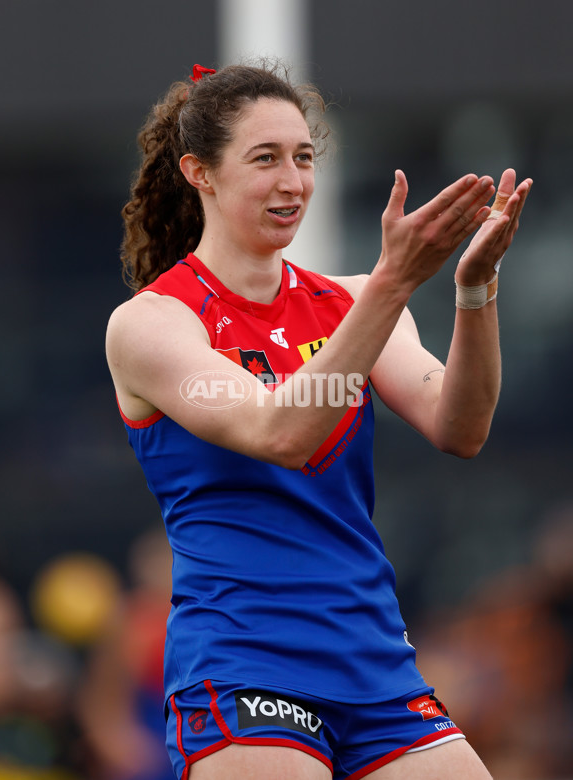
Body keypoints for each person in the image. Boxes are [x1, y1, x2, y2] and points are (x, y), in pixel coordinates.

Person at [105, 60, 532, 780]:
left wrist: (474, 289)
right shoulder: (152, 324)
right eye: (264, 158)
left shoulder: (350, 302)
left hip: (372, 658)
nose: (293, 181)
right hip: (245, 661)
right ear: (199, 172)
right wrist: (394, 283)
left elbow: (461, 428)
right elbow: (279, 432)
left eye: (304, 158)